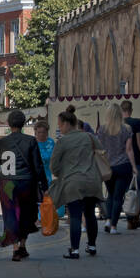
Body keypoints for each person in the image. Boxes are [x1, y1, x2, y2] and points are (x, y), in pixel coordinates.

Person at [50, 106, 105, 258]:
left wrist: (62, 173)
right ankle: (92, 246)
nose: (59, 128)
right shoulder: (89, 137)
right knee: (90, 214)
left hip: (73, 182)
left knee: (75, 216)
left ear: (67, 124)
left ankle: (74, 250)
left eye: (60, 125)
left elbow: (54, 166)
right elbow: (101, 151)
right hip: (92, 180)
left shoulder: (63, 141)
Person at [0, 109, 49, 261]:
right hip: (26, 182)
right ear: (24, 123)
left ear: (8, 123)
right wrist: (44, 187)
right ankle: (23, 246)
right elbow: (38, 166)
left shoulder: (1, 142)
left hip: (7, 183)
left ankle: (15, 247)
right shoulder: (31, 141)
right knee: (26, 214)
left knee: (10, 214)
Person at [95, 103, 137, 234]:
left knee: (110, 195)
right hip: (123, 166)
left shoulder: (101, 130)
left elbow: (99, 149)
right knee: (119, 197)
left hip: (108, 167)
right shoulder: (127, 129)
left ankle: (108, 220)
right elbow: (129, 150)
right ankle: (114, 226)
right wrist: (134, 167)